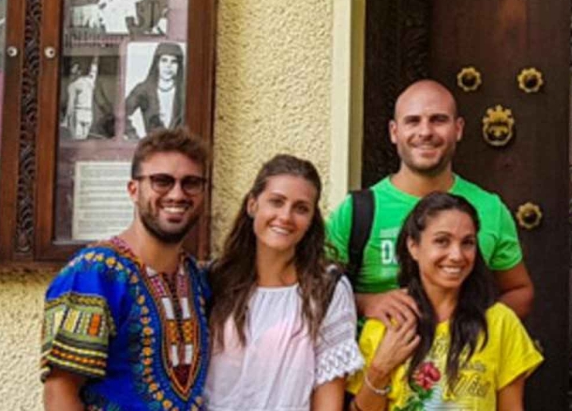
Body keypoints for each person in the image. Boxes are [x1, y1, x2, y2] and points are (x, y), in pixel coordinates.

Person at [327, 79, 533, 325]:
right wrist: (365, 303)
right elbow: (313, 289)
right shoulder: (357, 211)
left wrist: (474, 327)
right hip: (376, 349)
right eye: (413, 121)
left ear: (458, 129)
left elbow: (519, 291)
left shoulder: (490, 209)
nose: (425, 132)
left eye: (438, 120)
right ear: (394, 132)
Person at [42, 128, 212, 411]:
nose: (177, 194)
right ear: (134, 190)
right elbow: (60, 390)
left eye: (191, 183)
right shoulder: (94, 274)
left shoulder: (198, 279)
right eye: (162, 181)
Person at [350, 192, 542, 411]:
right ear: (413, 246)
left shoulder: (499, 322)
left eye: (467, 243)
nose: (456, 255)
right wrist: (380, 369)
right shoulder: (387, 322)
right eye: (442, 241)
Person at [206, 154, 364, 411]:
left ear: (311, 219)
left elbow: (328, 398)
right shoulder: (216, 279)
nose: (286, 216)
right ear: (253, 205)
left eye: (301, 208)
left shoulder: (326, 288)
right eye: (276, 202)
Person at [126, 42, 186, 138]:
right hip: (153, 145)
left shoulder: (185, 92)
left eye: (174, 61)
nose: (168, 66)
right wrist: (133, 136)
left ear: (179, 66)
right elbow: (120, 115)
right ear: (157, 63)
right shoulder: (143, 90)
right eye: (164, 60)